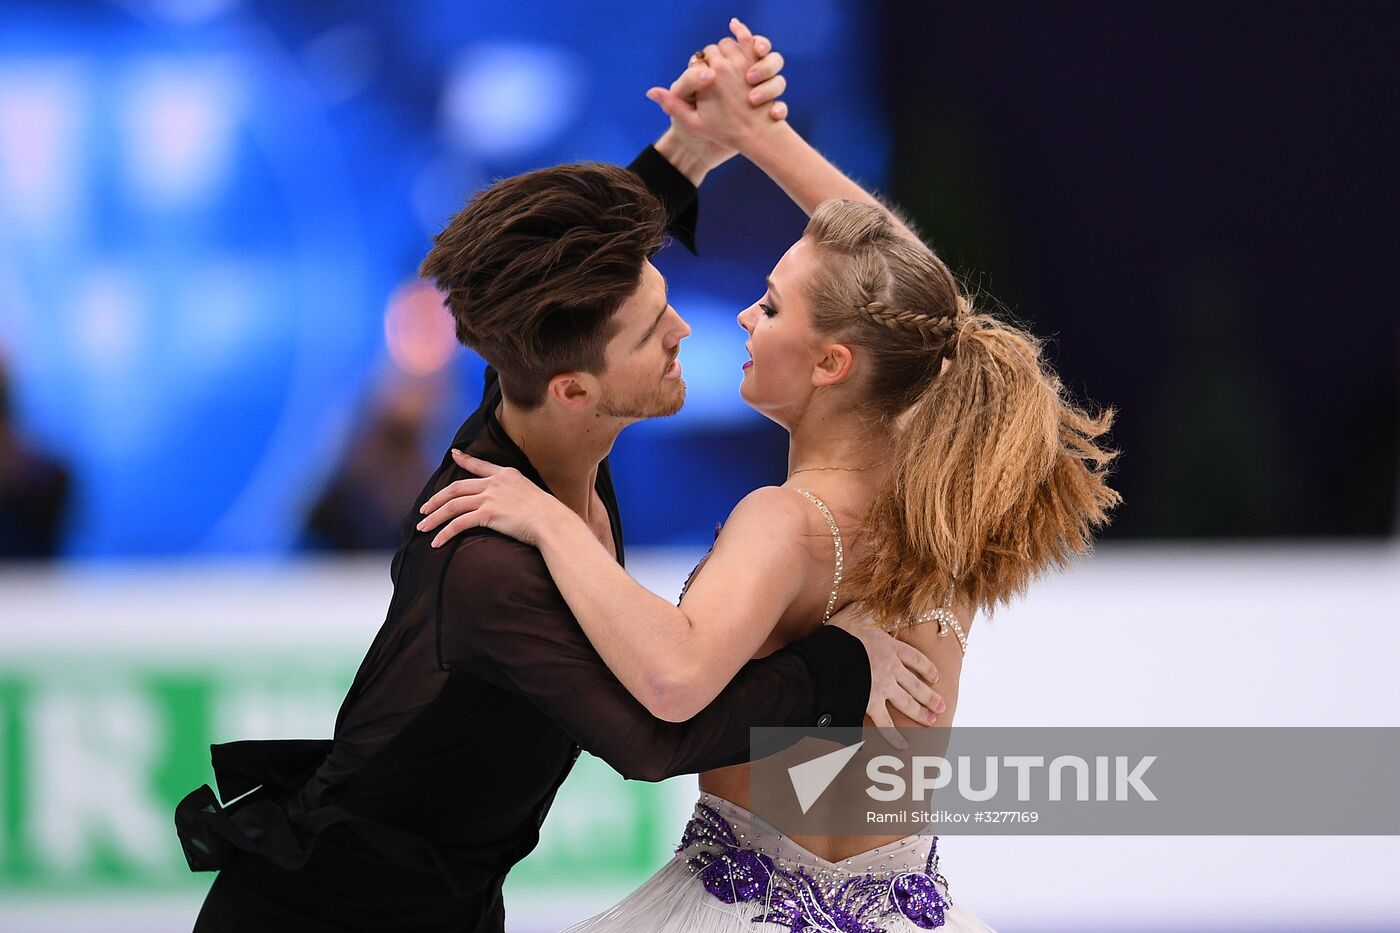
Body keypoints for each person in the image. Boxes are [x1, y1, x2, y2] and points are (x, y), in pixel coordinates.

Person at [176, 22, 944, 933]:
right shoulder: (488, 550)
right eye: (653, 332)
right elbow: (657, 735)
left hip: (441, 907)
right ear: (578, 388)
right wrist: (840, 666)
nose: (686, 330)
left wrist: (700, 141)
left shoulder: (540, 386)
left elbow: (576, 261)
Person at [418, 27, 1122, 932]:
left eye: (774, 304)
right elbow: (923, 309)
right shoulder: (947, 503)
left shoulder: (789, 522)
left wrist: (547, 521)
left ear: (832, 362)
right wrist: (759, 135)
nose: (746, 315)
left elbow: (673, 678)